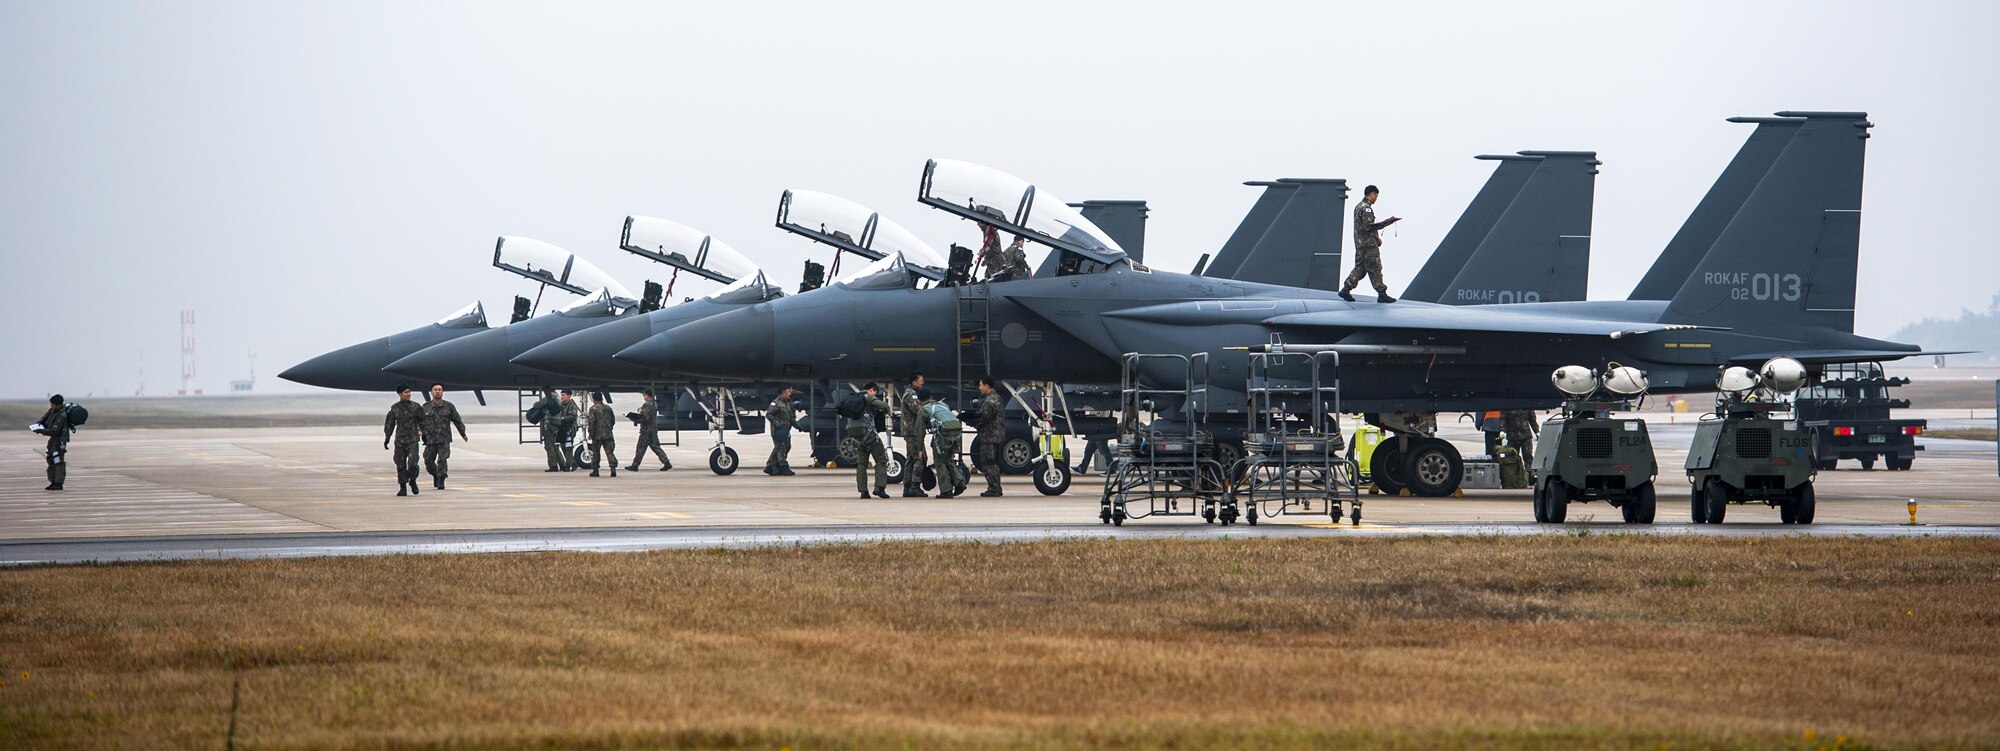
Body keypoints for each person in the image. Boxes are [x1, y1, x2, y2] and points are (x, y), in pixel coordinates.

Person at [1340, 184, 1403, 303]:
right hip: (1368, 245)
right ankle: (1382, 293)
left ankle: (1346, 288)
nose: (1376, 198)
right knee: (1375, 267)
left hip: (1359, 244)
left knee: (1361, 268)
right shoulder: (1367, 208)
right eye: (1376, 195)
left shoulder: (1358, 207)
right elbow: (1368, 227)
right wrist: (1386, 223)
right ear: (1371, 194)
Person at [846, 383, 892, 499]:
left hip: (856, 436)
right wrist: (887, 409)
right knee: (881, 460)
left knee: (862, 463)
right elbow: (883, 405)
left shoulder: (853, 399)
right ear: (871, 390)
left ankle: (863, 491)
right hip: (868, 434)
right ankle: (879, 488)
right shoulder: (867, 397)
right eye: (875, 393)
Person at [420, 383, 468, 490]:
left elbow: (457, 420)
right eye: (435, 389)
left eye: (439, 389)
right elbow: (420, 422)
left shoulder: (449, 406)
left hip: (444, 438)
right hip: (430, 439)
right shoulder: (425, 407)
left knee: (442, 460)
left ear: (442, 392)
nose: (437, 391)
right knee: (428, 460)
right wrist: (420, 432)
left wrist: (463, 434)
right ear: (432, 392)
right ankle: (436, 474)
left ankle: (441, 479)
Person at [922, 390, 966, 498]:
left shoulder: (924, 410)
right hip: (955, 433)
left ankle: (946, 490)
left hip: (943, 435)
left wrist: (919, 448)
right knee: (948, 460)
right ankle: (959, 482)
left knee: (940, 462)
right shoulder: (943, 405)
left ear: (919, 401)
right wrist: (956, 444)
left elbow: (919, 430)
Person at [383, 383, 424, 496]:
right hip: (400, 441)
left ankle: (413, 480)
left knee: (413, 464)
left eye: (409, 392)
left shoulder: (416, 407)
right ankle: (402, 487)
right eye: (406, 392)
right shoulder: (395, 408)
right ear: (400, 394)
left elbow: (422, 421)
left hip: (413, 440)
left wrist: (424, 435)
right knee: (400, 464)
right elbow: (390, 424)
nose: (408, 394)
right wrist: (387, 438)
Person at [972, 376, 1007, 497]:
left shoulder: (989, 401)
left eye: (981, 385)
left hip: (989, 437)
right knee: (993, 462)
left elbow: (984, 418)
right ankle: (996, 487)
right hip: (996, 436)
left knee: (988, 463)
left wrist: (972, 422)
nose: (979, 387)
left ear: (987, 386)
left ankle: (994, 488)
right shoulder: (997, 398)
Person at [626, 390, 673, 471]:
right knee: (656, 447)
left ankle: (635, 465)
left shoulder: (648, 404)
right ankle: (666, 463)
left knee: (640, 448)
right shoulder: (653, 403)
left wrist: (634, 418)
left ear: (648, 395)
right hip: (652, 429)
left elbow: (645, 418)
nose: (644, 396)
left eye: (644, 395)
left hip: (646, 430)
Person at [33, 394, 73, 491]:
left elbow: (55, 431)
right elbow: (45, 419)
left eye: (53, 405)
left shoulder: (61, 416)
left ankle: (58, 483)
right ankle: (53, 481)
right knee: (50, 458)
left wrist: (41, 431)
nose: (52, 406)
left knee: (57, 459)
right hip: (53, 439)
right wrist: (39, 425)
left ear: (59, 405)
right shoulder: (53, 411)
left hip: (59, 440)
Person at [899, 373, 930, 497]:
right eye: (920, 380)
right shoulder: (911, 394)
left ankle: (907, 487)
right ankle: (914, 485)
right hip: (912, 431)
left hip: (910, 430)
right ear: (914, 382)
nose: (922, 383)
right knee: (920, 457)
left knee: (911, 458)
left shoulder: (910, 393)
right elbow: (917, 410)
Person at [764, 385, 798, 476]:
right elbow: (769, 414)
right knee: (781, 448)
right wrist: (777, 424)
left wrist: (797, 425)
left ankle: (771, 465)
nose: (790, 393)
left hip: (786, 430)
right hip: (778, 430)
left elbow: (791, 416)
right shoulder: (776, 403)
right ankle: (784, 467)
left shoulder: (788, 403)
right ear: (783, 392)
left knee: (786, 446)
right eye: (788, 391)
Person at [585, 392, 617, 477]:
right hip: (608, 434)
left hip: (597, 435)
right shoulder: (608, 408)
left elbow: (591, 423)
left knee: (596, 453)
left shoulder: (593, 409)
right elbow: (613, 420)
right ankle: (613, 468)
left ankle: (595, 470)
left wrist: (590, 434)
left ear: (594, 399)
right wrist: (609, 429)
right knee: (610, 452)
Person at [547, 390, 581, 472]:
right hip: (562, 429)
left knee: (568, 448)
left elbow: (573, 417)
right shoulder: (561, 405)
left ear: (569, 396)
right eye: (561, 395)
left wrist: (562, 418)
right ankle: (573, 463)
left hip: (569, 429)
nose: (562, 397)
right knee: (563, 447)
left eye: (564, 395)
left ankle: (568, 466)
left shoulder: (572, 406)